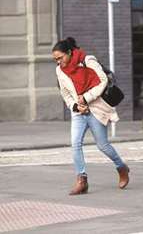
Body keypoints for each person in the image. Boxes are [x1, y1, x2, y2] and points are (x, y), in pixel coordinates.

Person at [52, 37, 129, 195]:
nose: (59, 62)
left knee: (102, 145)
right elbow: (65, 93)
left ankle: (121, 167)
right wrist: (75, 106)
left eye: (60, 58)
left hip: (96, 108)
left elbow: (103, 80)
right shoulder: (60, 70)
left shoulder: (87, 60)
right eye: (56, 59)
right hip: (78, 112)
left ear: (69, 52)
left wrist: (86, 98)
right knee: (75, 143)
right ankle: (82, 180)